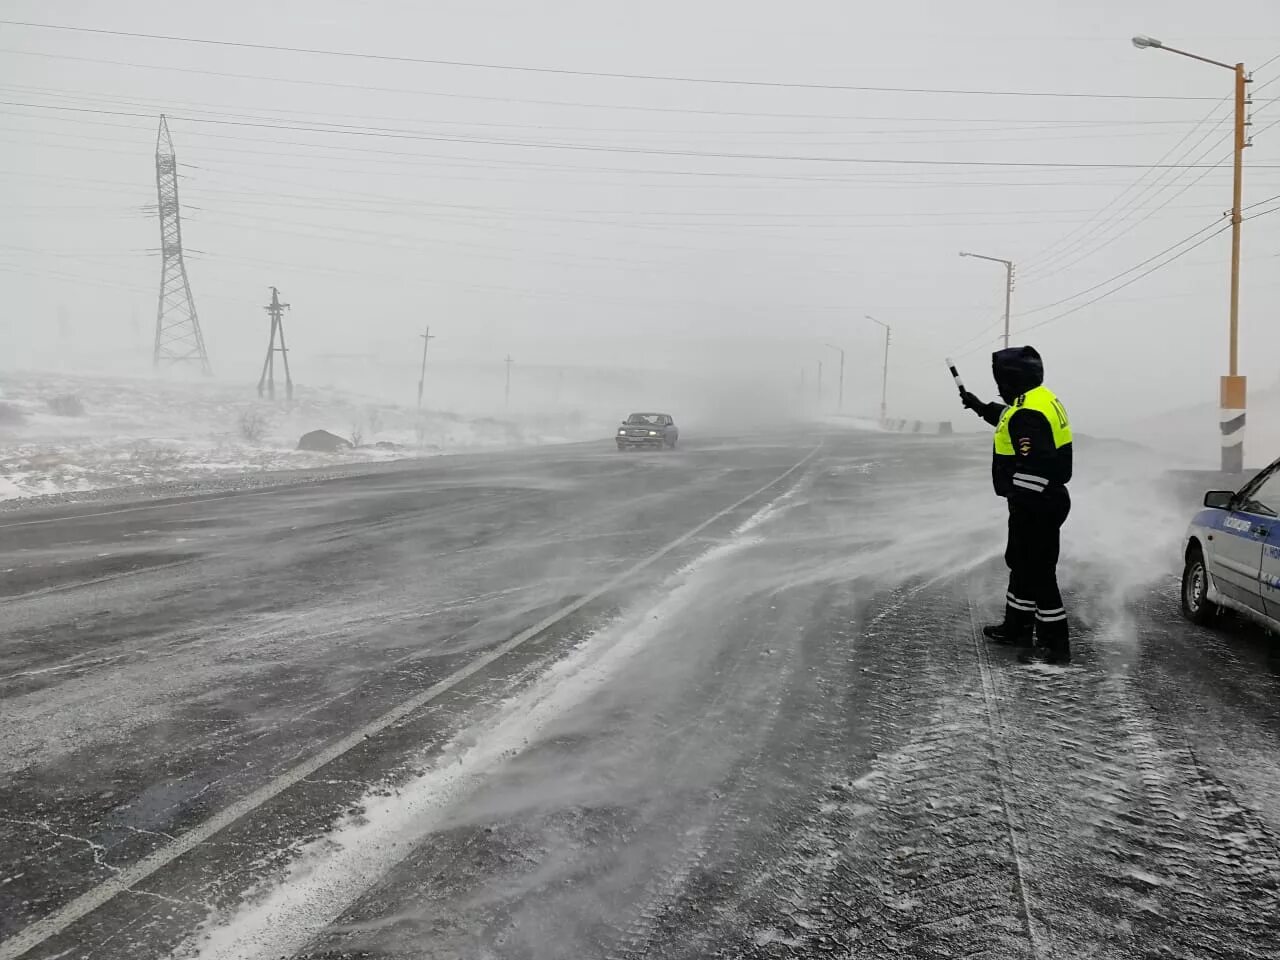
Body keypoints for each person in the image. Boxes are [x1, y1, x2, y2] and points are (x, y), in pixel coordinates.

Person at [959, 345, 1072, 665]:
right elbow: (1007, 417)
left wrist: (1022, 502)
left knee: (1038, 572)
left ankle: (1055, 646)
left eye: (1001, 380)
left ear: (1014, 380)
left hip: (1037, 502)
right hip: (1038, 499)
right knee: (1021, 565)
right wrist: (979, 406)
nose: (999, 387)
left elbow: (1037, 464)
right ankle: (1016, 628)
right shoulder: (1037, 399)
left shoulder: (1028, 413)